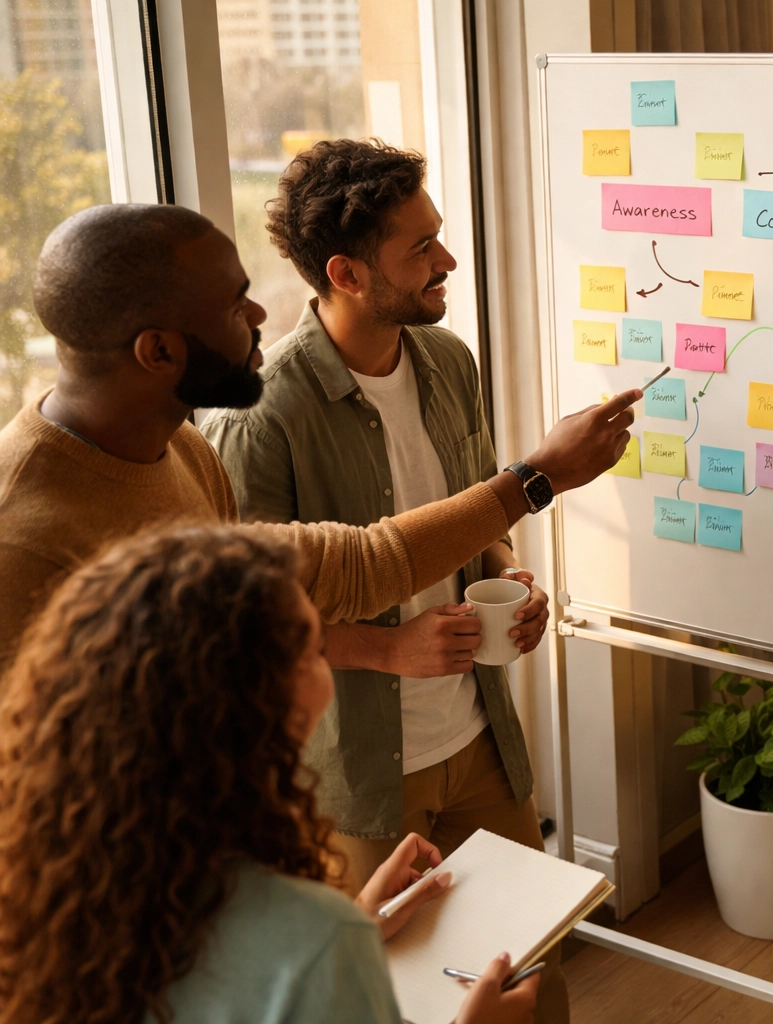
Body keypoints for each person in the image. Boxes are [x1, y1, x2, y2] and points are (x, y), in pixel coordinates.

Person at [202, 140, 566, 1019]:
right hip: (362, 775)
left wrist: (512, 581)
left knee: (532, 976)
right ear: (347, 273)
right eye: (421, 247)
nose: (446, 260)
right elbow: (247, 624)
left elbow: (481, 528)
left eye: (438, 236)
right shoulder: (265, 418)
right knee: (394, 1000)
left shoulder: (448, 363)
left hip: (481, 740)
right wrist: (390, 647)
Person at [0, 202, 638, 665]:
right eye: (233, 307)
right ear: (159, 352)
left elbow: (355, 565)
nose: (258, 318)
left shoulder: (180, 449)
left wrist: (535, 481)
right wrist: (535, 478)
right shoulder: (22, 541)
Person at [0, 525, 537, 1024]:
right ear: (255, 709)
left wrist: (355, 927)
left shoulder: (56, 906)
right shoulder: (317, 945)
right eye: (310, 645)